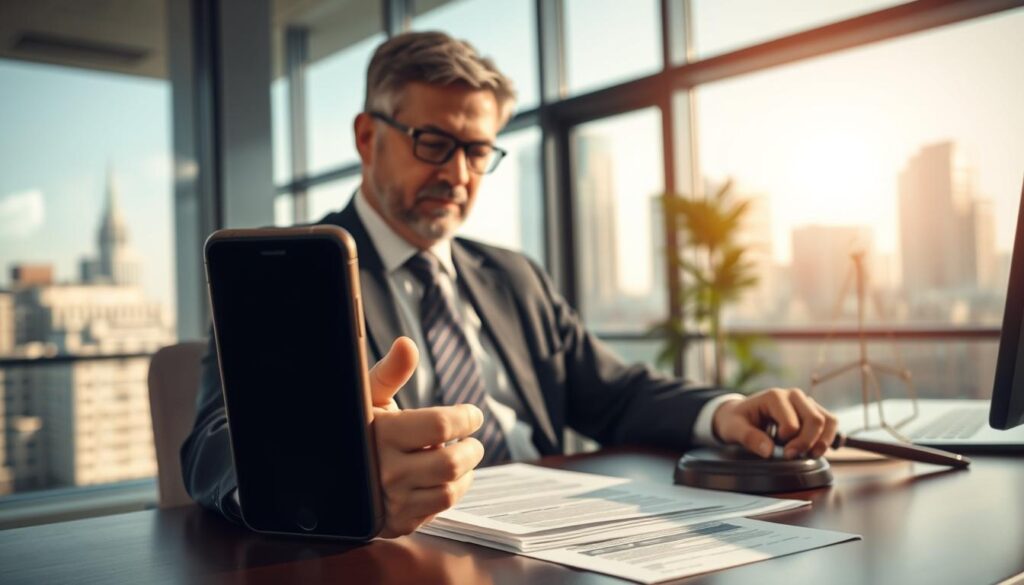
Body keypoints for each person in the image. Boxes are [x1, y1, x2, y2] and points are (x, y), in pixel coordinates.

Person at [181, 31, 838, 538]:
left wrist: (723, 412)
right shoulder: (292, 275)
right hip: (400, 554)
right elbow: (212, 442)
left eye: (476, 151)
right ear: (366, 136)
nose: (458, 174)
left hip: (553, 540)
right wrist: (337, 470)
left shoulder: (514, 275)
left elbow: (613, 391)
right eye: (433, 142)